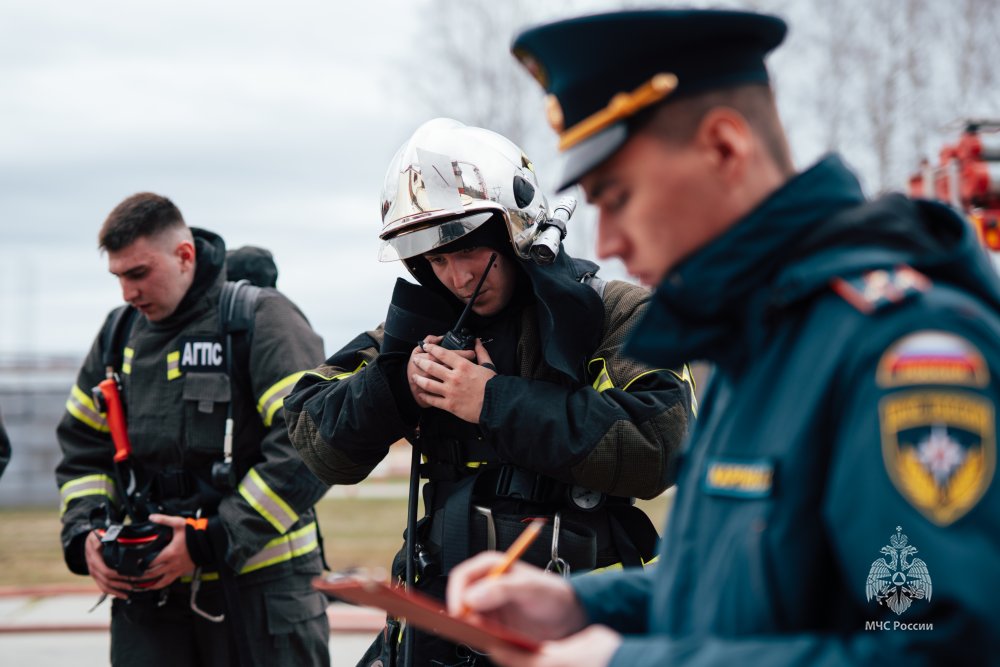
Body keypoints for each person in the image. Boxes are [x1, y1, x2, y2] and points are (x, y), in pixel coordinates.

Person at [447, 8, 1000, 666]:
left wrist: (621, 662)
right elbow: (735, 587)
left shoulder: (902, 348)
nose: (610, 242)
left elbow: (939, 648)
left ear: (724, 149)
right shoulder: (760, 339)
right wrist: (582, 605)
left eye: (617, 195)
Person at [284, 118, 695, 666]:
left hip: (570, 620)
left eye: (467, 252)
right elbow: (312, 433)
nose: (454, 277)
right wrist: (398, 383)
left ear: (513, 231)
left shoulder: (619, 314)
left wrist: (492, 401)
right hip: (436, 616)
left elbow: (659, 446)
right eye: (436, 259)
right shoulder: (420, 336)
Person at [55, 193, 331, 667]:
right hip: (149, 606)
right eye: (118, 277)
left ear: (184, 255)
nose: (127, 293)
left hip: (260, 597)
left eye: (138, 273)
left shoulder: (262, 321)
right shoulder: (118, 334)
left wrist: (214, 538)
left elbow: (311, 445)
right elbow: (84, 449)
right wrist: (86, 533)